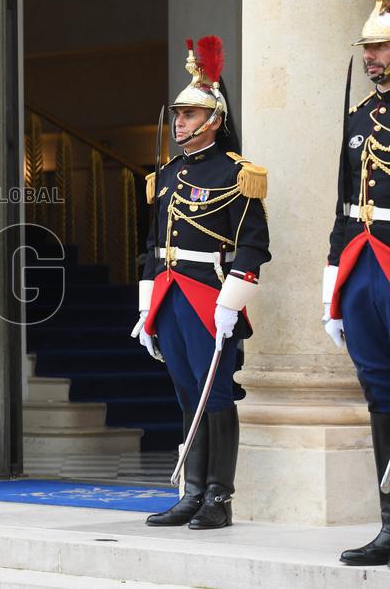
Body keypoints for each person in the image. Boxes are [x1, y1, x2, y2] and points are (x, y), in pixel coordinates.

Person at [131, 37, 270, 529]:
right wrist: (146, 311)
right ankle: (191, 492)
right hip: (169, 293)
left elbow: (253, 246)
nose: (179, 122)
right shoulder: (166, 173)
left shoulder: (237, 173)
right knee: (186, 392)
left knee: (216, 395)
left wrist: (232, 302)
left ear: (213, 120)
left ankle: (219, 497)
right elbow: (152, 246)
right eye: (178, 115)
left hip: (210, 295)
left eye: (189, 115)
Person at [327, 0, 390, 567]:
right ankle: (389, 522)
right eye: (367, 48)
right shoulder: (357, 118)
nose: (370, 57)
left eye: (380, 47)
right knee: (377, 389)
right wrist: (332, 282)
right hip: (363, 261)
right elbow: (344, 200)